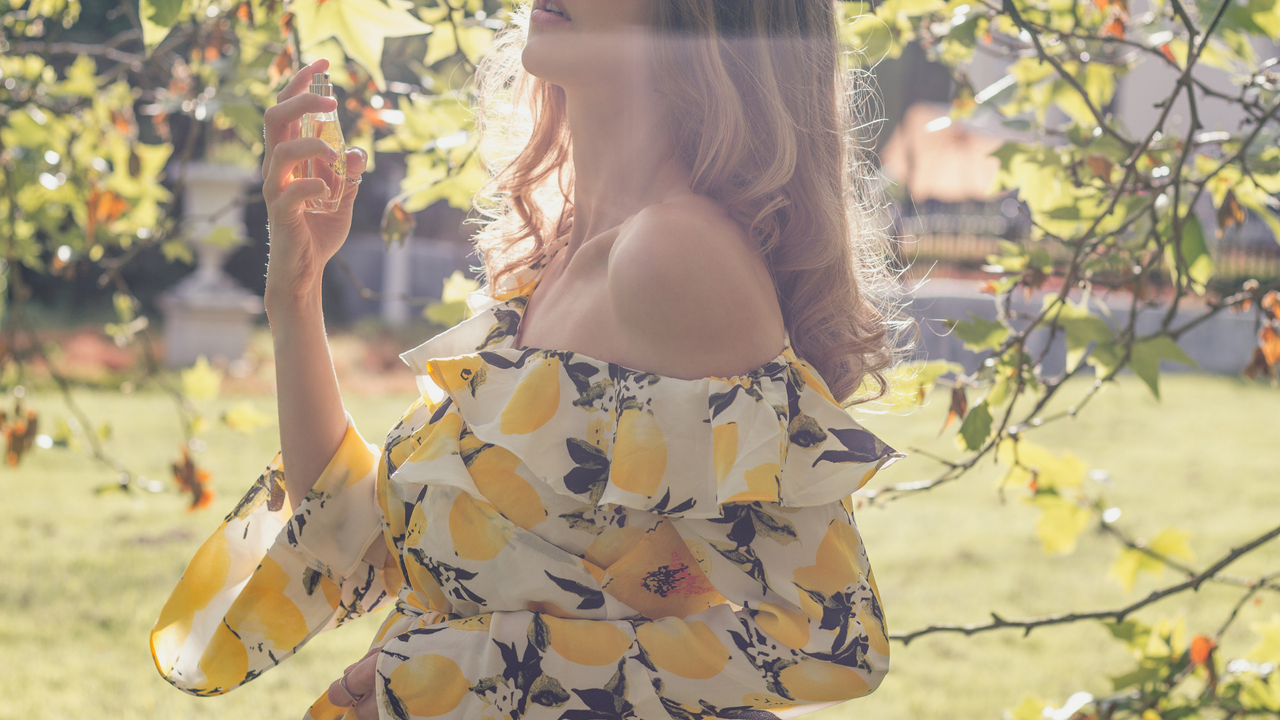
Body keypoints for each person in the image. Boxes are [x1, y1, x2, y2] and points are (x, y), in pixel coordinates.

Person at [150, 2, 907, 719]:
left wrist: (478, 672)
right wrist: (297, 292)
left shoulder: (674, 258)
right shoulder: (553, 258)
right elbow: (361, 540)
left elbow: (832, 641)